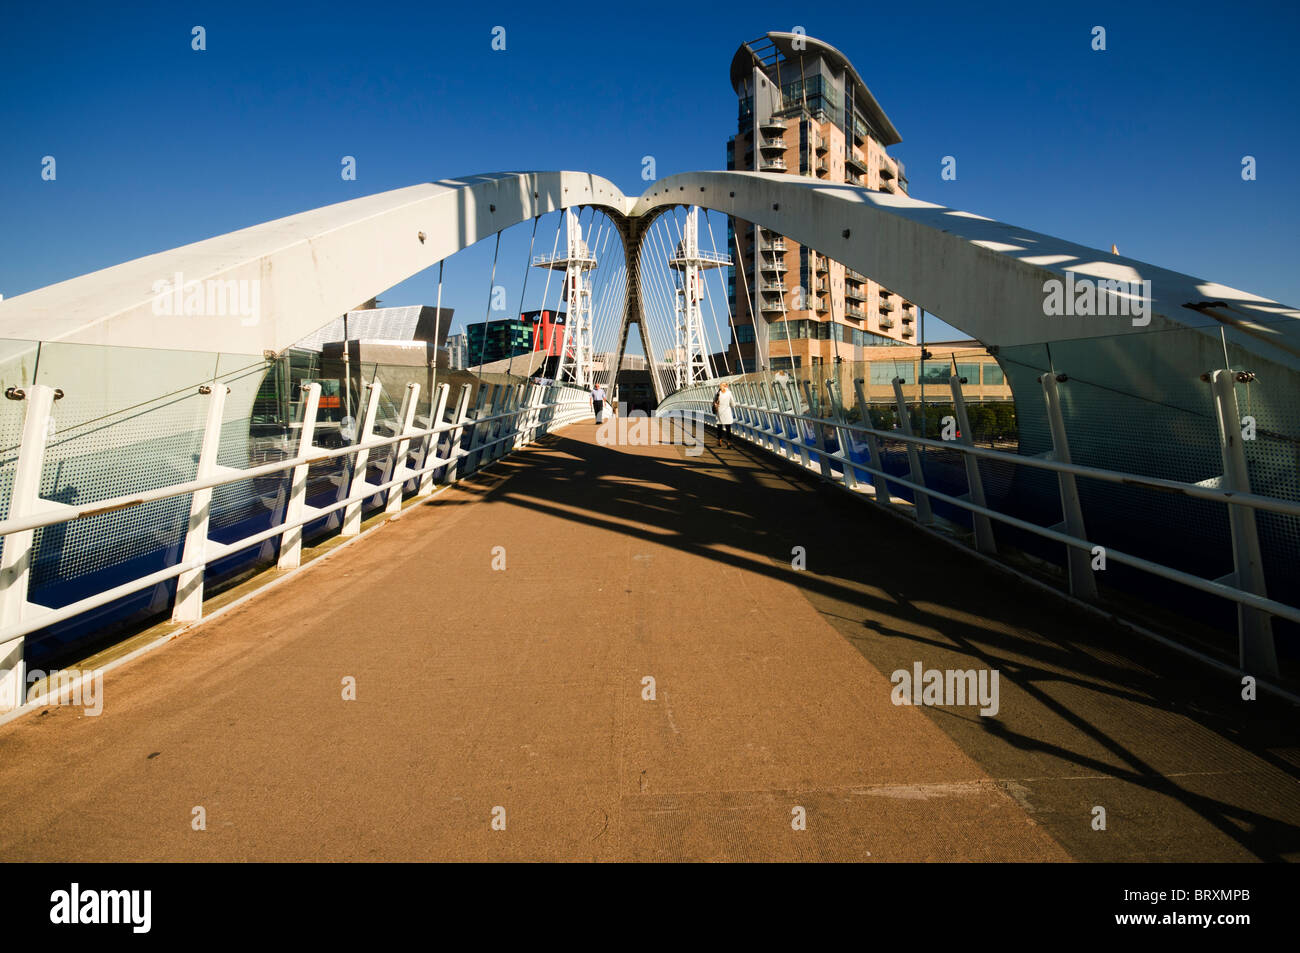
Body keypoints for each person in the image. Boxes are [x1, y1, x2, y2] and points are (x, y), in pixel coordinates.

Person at [713, 381, 735, 448]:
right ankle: (728, 443)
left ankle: (719, 440)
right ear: (727, 386)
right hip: (727, 412)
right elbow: (733, 404)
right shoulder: (729, 393)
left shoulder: (717, 393)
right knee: (728, 428)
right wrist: (732, 406)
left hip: (719, 412)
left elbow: (714, 401)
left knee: (719, 427)